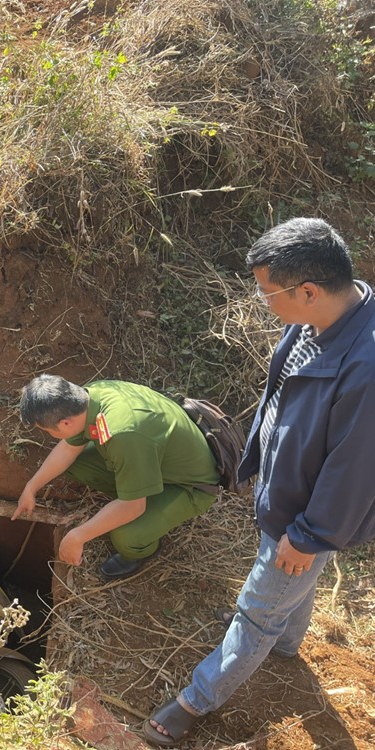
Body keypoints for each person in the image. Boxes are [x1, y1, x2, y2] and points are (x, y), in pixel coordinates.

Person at [145, 217, 375, 747]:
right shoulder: (319, 321)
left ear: (309, 290)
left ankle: (193, 703)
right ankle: (287, 643)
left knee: (255, 614)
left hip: (306, 515)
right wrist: (258, 464)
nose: (263, 302)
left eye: (268, 292)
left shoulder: (365, 367)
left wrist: (311, 534)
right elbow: (284, 400)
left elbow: (356, 468)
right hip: (290, 496)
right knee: (295, 581)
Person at [11, 375, 220, 579]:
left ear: (65, 424)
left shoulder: (124, 433)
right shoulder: (88, 397)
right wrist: (31, 487)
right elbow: (67, 449)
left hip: (189, 486)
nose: (48, 435)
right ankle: (133, 488)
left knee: (126, 536)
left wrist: (77, 536)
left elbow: (134, 506)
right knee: (78, 463)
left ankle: (141, 551)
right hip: (151, 458)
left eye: (46, 430)